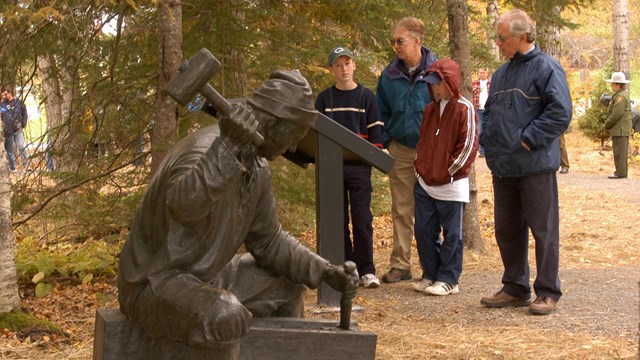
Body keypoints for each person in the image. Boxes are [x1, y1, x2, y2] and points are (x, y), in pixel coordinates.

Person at [118, 70, 359, 348]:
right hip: (156, 283)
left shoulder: (257, 167)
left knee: (289, 282)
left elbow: (269, 240)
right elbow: (183, 206)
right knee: (224, 314)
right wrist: (228, 146)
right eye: (293, 136)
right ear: (274, 125)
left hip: (209, 275)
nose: (292, 146)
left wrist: (325, 271)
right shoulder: (203, 151)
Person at [479, 9, 572, 315]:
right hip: (504, 168)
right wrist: (488, 145)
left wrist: (528, 138)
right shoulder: (501, 73)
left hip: (534, 167)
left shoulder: (547, 67)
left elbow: (560, 113)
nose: (498, 43)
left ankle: (547, 291)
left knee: (543, 231)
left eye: (502, 37)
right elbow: (490, 113)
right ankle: (515, 288)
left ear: (521, 37)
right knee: (506, 230)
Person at [315, 47, 383, 288]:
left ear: (354, 66)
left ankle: (367, 270)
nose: (343, 69)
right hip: (332, 168)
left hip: (360, 168)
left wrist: (373, 154)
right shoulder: (325, 99)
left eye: (347, 63)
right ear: (332, 69)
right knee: (338, 219)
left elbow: (376, 134)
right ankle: (348, 268)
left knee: (362, 218)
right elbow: (317, 134)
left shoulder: (366, 97)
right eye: (338, 65)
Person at [376, 16, 438, 283]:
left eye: (399, 41)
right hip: (401, 150)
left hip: (431, 152)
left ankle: (432, 265)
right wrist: (389, 140)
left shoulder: (438, 71)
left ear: (417, 41)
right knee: (401, 209)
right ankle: (401, 264)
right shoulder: (388, 76)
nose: (396, 46)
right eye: (393, 42)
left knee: (432, 209)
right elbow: (381, 111)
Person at [411, 58, 478, 296]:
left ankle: (449, 279)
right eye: (431, 84)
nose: (435, 88)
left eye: (438, 83)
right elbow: (423, 143)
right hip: (425, 182)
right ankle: (430, 274)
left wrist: (447, 171)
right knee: (423, 230)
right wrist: (421, 168)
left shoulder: (464, 108)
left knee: (452, 234)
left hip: (451, 183)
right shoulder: (430, 109)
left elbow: (469, 146)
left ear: (450, 82)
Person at [603, 71, 632, 179]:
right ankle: (620, 171)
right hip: (620, 128)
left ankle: (621, 173)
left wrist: (607, 124)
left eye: (612, 83)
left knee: (620, 152)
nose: (611, 85)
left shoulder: (621, 97)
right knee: (620, 151)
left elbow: (617, 113)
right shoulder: (620, 95)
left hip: (620, 128)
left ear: (618, 84)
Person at [1, 87, 29, 172]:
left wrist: (23, 124)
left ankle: (26, 166)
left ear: (10, 93)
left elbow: (25, 113)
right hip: (7, 131)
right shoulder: (1, 105)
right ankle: (12, 167)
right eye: (3, 95)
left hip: (17, 129)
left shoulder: (19, 103)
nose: (4, 96)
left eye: (5, 94)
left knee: (21, 146)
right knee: (9, 150)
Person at [471, 67, 490, 157]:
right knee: (479, 130)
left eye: (483, 72)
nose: (482, 74)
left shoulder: (491, 83)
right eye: (480, 72)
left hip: (489, 109)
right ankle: (482, 151)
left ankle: (488, 150)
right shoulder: (474, 83)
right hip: (478, 109)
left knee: (489, 129)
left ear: (487, 73)